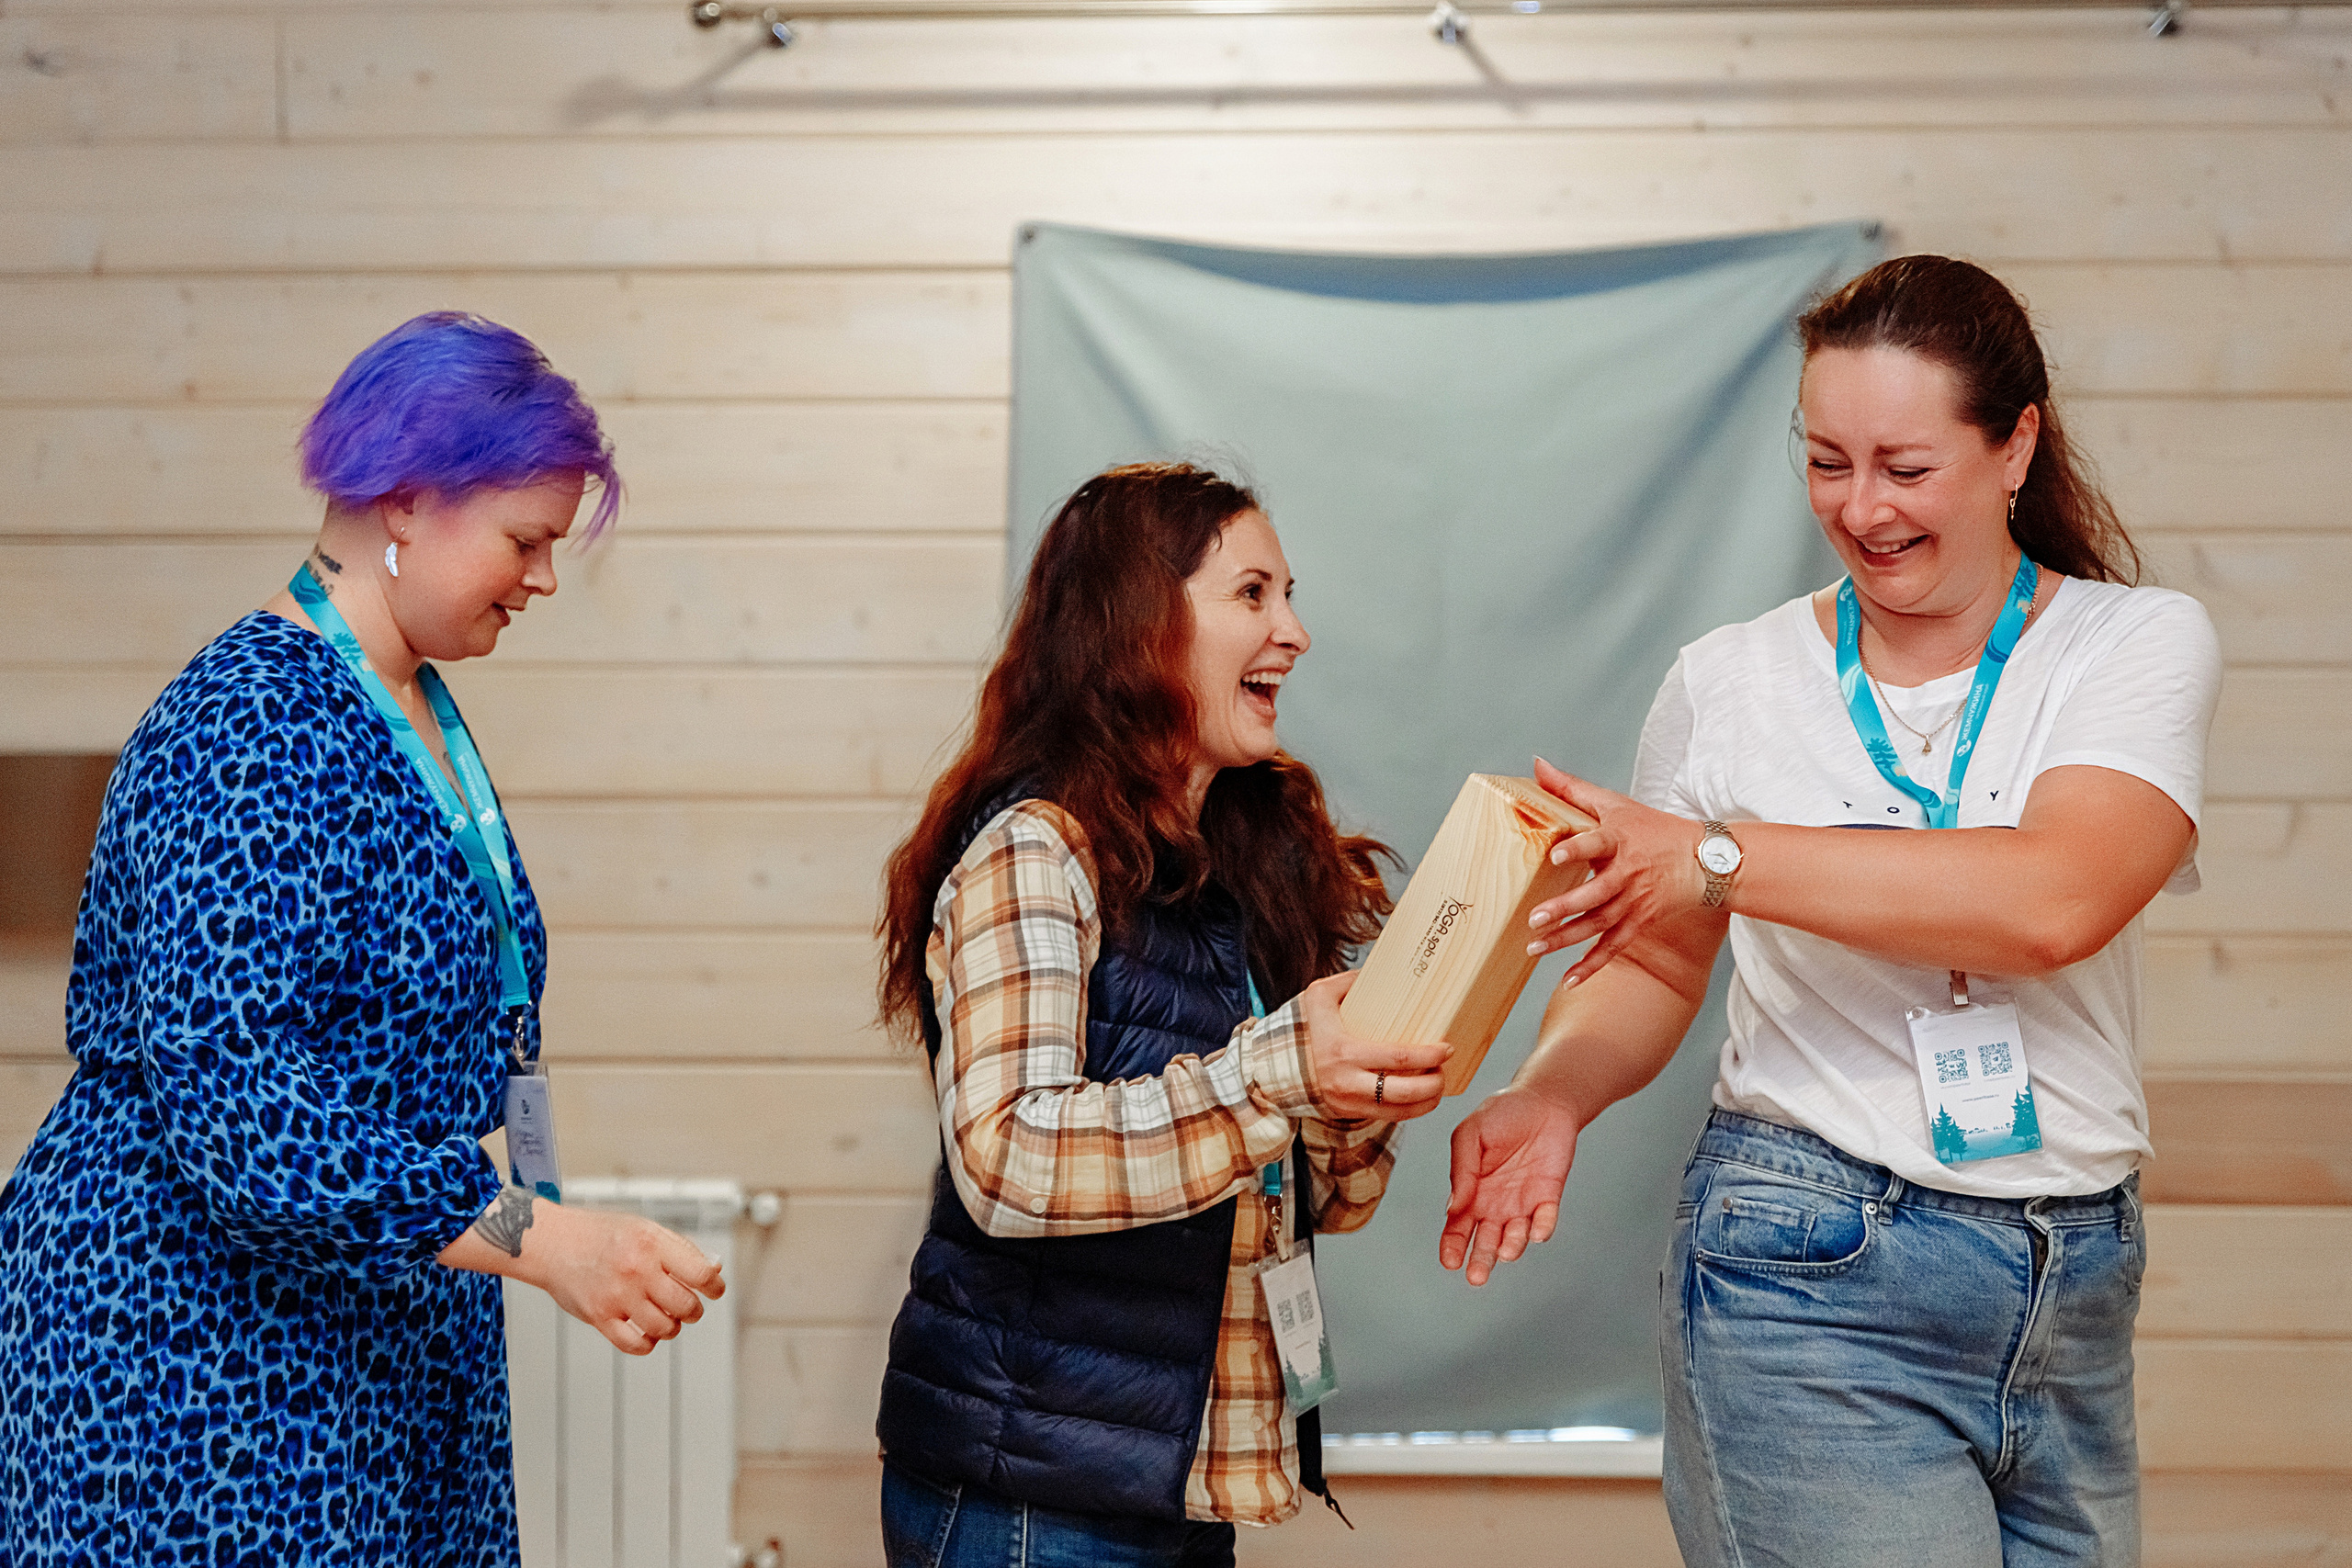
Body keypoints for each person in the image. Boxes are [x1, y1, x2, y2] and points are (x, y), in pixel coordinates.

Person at [1442, 256, 2220, 1567]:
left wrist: (1717, 852)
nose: (1862, 508)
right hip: (1809, 1262)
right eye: (1827, 461)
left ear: (2016, 442)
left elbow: (2053, 899)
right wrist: (1554, 1089)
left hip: (2073, 1273)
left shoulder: (2130, 643)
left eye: (1906, 467)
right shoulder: (1729, 679)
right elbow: (1653, 959)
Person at [0, 313, 726, 1565]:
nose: (542, 578)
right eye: (525, 539)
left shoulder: (403, 702)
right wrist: (543, 1237)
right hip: (200, 1343)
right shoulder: (251, 726)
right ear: (403, 499)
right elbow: (242, 1102)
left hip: (362, 1308)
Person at [873, 463, 1450, 1568]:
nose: (1294, 632)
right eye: (1252, 595)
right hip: (1031, 1497)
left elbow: (1314, 1198)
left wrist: (1361, 1094)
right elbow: (1005, 1158)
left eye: (1288, 596)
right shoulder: (1035, 851)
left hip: (1178, 1484)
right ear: (1137, 622)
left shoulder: (1238, 866)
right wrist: (1281, 1073)